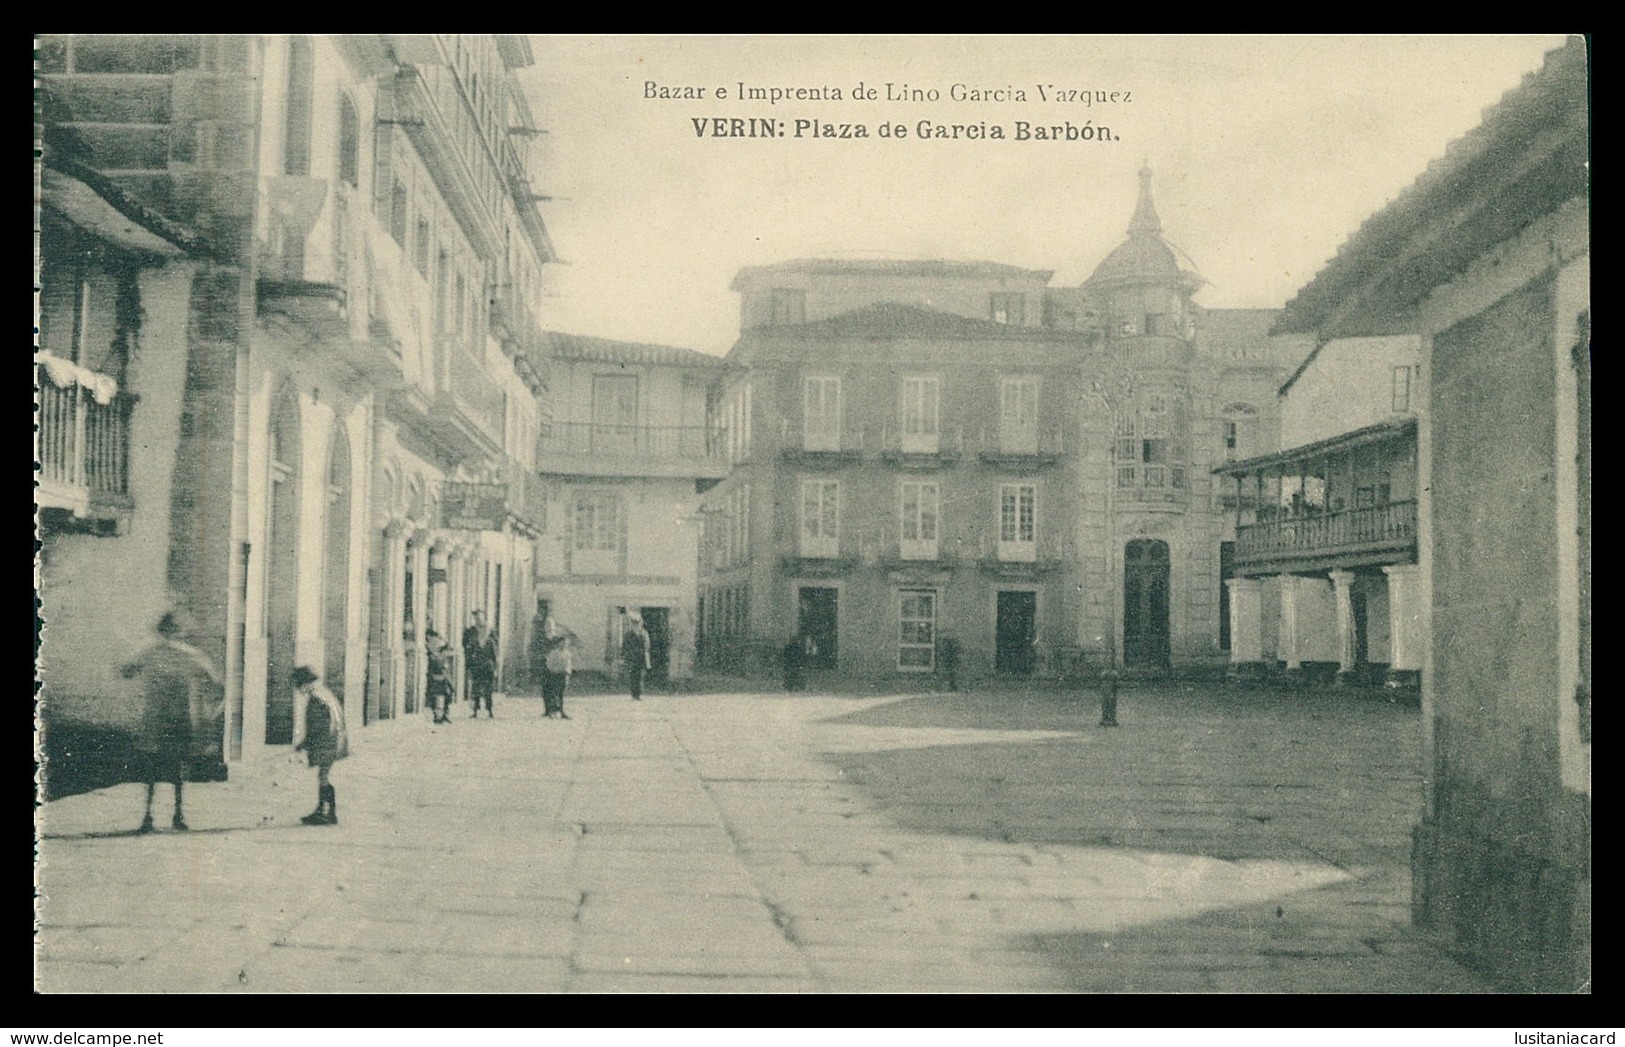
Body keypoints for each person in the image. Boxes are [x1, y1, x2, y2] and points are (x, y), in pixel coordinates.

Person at [120, 611, 222, 833]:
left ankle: (148, 816)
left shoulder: (150, 653)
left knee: (151, 768)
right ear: (179, 631)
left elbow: (126, 672)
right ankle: (178, 814)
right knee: (177, 768)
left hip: (156, 718)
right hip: (179, 719)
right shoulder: (191, 655)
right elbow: (215, 683)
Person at [291, 666, 348, 825]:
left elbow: (317, 726)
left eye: (297, 685)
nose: (298, 689)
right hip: (334, 740)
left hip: (327, 742)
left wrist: (304, 744)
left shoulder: (316, 698)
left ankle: (327, 813)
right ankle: (324, 811)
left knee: (323, 776)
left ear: (303, 683)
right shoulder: (323, 692)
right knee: (323, 775)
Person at [538, 614, 576, 720]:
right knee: (546, 690)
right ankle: (548, 710)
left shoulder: (556, 639)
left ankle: (559, 710)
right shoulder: (541, 639)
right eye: (547, 626)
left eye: (551, 626)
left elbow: (563, 648)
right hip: (545, 667)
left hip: (557, 668)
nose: (549, 628)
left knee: (557, 691)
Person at [462, 610, 498, 719]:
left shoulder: (490, 637)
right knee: (476, 689)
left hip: (488, 667)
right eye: (477, 619)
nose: (479, 621)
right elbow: (467, 650)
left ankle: (490, 710)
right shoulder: (471, 633)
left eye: (480, 619)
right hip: (476, 666)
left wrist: (495, 668)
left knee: (488, 690)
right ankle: (475, 711)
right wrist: (468, 666)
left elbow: (494, 655)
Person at [424, 629, 454, 724]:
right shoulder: (430, 652)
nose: (436, 642)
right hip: (434, 677)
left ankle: (444, 714)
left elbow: (447, 646)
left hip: (442, 677)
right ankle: (437, 716)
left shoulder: (439, 651)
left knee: (447, 695)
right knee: (436, 697)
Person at [622, 613, 652, 701]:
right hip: (631, 657)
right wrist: (625, 656)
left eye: (637, 622)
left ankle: (638, 694)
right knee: (632, 676)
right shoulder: (629, 634)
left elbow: (647, 645)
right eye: (634, 623)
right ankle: (633, 694)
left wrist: (645, 654)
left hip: (641, 658)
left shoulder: (643, 633)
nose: (636, 624)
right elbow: (625, 646)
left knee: (640, 676)